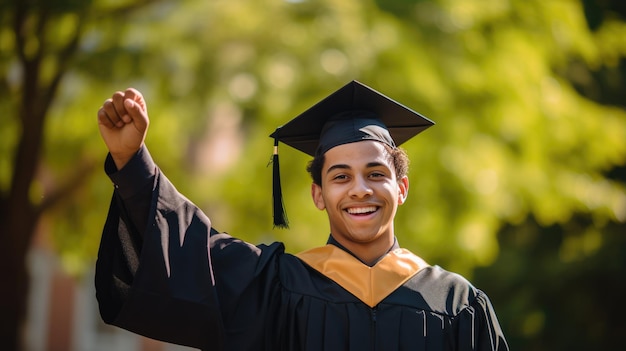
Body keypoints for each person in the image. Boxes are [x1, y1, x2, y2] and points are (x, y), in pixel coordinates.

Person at [95, 80, 509, 350]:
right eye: (340, 176)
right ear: (319, 194)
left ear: (401, 189)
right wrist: (132, 161)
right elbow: (191, 246)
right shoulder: (275, 288)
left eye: (376, 174)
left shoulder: (458, 305)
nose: (360, 189)